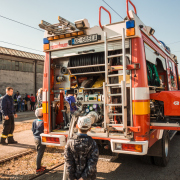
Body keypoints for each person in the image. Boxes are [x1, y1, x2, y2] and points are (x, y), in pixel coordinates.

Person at [64, 116, 99, 180]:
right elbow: (92, 163)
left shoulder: (69, 142)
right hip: (88, 178)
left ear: (77, 126)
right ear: (90, 128)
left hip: (74, 177)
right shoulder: (93, 143)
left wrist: (72, 177)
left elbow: (68, 162)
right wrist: (83, 177)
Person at [32, 108, 46, 174]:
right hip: (41, 140)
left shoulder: (34, 121)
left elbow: (33, 130)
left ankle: (39, 166)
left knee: (39, 153)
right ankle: (38, 168)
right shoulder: (43, 122)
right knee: (40, 154)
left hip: (35, 139)